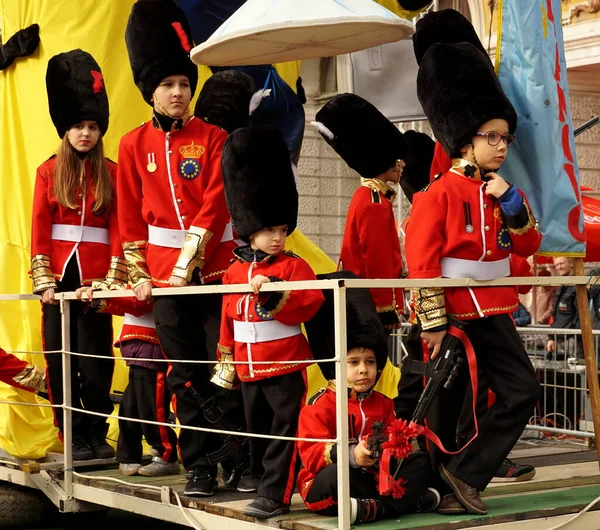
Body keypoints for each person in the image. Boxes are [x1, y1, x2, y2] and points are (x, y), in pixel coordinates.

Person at [405, 35, 542, 516]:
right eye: (493, 137)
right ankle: (431, 486)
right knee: (445, 411)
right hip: (455, 317)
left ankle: (465, 475)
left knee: (523, 391)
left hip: (496, 312)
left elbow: (528, 244)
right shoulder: (437, 194)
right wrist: (434, 324)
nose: (502, 146)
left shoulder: (503, 192)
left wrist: (511, 203)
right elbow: (421, 262)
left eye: (506, 138)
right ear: (467, 139)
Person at [120, 0, 238, 496]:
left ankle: (234, 455)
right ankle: (199, 465)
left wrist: (189, 261)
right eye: (168, 85)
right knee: (185, 375)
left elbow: (217, 202)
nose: (177, 93)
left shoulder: (213, 136)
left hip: (211, 272)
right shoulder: (131, 145)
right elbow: (128, 215)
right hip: (163, 279)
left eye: (184, 85)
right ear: (152, 90)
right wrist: (137, 272)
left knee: (223, 367)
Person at [217, 126, 324, 519]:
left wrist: (274, 290)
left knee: (283, 432)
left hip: (284, 363)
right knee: (257, 431)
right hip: (247, 367)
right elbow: (229, 316)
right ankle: (262, 481)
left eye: (282, 230)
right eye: (268, 230)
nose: (277, 237)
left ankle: (275, 493)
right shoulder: (233, 271)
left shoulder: (296, 266)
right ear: (250, 229)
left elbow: (309, 303)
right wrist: (225, 357)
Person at [31, 49, 126, 460]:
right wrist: (43, 278)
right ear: (65, 130)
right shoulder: (48, 171)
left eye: (91, 126)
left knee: (97, 361)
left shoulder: (114, 171)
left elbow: (121, 228)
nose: (85, 133)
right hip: (58, 279)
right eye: (77, 126)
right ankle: (71, 433)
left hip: (96, 278)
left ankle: (94, 430)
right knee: (59, 358)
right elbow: (38, 226)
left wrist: (114, 276)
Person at [300, 271, 437, 525]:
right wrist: (354, 456)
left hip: (376, 479)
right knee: (335, 476)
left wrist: (395, 445)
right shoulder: (319, 404)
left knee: (420, 461)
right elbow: (311, 455)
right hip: (336, 481)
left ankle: (375, 509)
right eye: (354, 362)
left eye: (370, 362)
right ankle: (402, 504)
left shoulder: (384, 402)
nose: (364, 369)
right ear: (337, 364)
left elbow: (394, 449)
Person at [312, 93, 406, 330]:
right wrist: (386, 309)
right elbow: (377, 260)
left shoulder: (371, 196)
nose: (402, 164)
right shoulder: (374, 202)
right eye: (398, 159)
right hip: (370, 304)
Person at [75, 287, 178, 477]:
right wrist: (99, 293)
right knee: (129, 406)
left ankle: (166, 454)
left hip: (152, 345)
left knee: (152, 406)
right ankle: (128, 454)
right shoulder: (133, 270)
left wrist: (101, 295)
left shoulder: (151, 274)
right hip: (135, 346)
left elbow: (138, 302)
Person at [546, 257, 584, 359]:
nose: (559, 267)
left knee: (576, 373)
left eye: (561, 263)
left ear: (571, 263)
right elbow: (557, 316)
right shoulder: (561, 286)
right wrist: (551, 338)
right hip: (560, 341)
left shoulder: (578, 285)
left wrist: (575, 337)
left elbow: (580, 315)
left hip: (573, 342)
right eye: (556, 265)